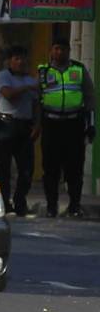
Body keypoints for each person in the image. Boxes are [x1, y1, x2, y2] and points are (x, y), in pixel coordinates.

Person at [38, 37, 96, 217]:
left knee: (75, 168)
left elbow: (90, 98)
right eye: (56, 49)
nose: (59, 52)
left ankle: (74, 206)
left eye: (63, 49)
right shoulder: (43, 71)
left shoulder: (78, 69)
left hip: (74, 124)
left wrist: (91, 124)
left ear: (68, 51)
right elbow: (36, 97)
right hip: (51, 124)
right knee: (51, 168)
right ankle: (51, 207)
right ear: (51, 51)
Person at [0, 45, 40, 216]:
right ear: (10, 61)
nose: (21, 62)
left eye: (23, 58)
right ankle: (4, 203)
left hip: (25, 126)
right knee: (4, 169)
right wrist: (28, 88)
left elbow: (36, 104)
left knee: (26, 169)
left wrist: (37, 125)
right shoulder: (3, 76)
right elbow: (8, 94)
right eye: (16, 59)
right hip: (6, 125)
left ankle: (20, 201)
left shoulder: (31, 79)